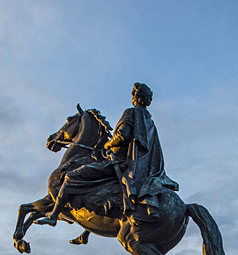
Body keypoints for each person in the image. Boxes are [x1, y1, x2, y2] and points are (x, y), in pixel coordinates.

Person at [37, 83, 177, 225]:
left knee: (71, 177)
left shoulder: (131, 113)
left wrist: (107, 144)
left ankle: (54, 215)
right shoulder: (150, 122)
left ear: (135, 97)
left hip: (119, 163)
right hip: (137, 168)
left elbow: (122, 135)